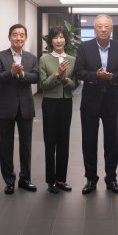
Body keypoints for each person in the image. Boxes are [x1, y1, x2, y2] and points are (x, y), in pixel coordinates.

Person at [74, 15, 118, 194]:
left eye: (107, 26)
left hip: (111, 101)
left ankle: (111, 178)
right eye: (99, 26)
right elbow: (78, 71)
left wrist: (113, 78)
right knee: (89, 141)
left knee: (111, 141)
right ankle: (91, 179)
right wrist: (96, 76)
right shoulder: (84, 47)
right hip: (90, 101)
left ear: (112, 29)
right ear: (94, 29)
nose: (103, 29)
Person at [0, 24, 39, 194]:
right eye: (15, 35)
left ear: (25, 38)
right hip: (6, 106)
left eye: (21, 35)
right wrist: (11, 72)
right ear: (9, 37)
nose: (18, 38)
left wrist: (22, 74)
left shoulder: (31, 58)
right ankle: (9, 180)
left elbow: (35, 77)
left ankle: (25, 178)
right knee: (5, 145)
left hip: (25, 106)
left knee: (26, 145)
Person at [38, 26, 79, 194]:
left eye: (62, 37)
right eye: (55, 37)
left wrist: (65, 79)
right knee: (50, 142)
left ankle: (61, 179)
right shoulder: (44, 59)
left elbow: (74, 84)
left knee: (64, 141)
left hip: (66, 103)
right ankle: (50, 180)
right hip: (50, 103)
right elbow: (42, 85)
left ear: (66, 40)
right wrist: (56, 75)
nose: (59, 40)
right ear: (51, 41)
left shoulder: (72, 59)